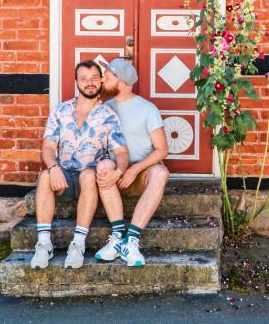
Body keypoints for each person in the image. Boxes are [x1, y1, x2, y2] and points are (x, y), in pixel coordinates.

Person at [30, 60, 129, 270]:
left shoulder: (109, 115)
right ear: (76, 82)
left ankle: (78, 244)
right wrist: (54, 167)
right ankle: (44, 244)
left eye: (94, 78)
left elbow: (121, 151)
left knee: (87, 175)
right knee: (45, 176)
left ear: (101, 81)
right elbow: (48, 147)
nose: (89, 83)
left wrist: (119, 172)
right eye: (84, 79)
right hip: (63, 176)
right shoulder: (60, 111)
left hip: (90, 180)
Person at [94, 58, 170, 267]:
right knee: (103, 166)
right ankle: (117, 237)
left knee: (161, 173)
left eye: (107, 77)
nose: (102, 80)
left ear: (122, 83)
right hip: (114, 174)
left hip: (141, 172)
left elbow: (162, 149)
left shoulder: (147, 109)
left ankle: (131, 240)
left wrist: (134, 169)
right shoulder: (103, 107)